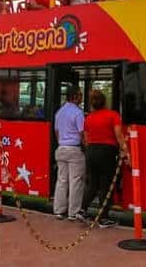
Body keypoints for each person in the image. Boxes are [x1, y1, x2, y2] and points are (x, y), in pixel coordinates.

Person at [80, 90, 128, 228]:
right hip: (107, 152)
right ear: (105, 102)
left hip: (91, 151)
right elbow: (119, 136)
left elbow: (86, 138)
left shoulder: (88, 118)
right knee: (106, 186)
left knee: (93, 184)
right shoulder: (113, 115)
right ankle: (103, 218)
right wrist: (126, 151)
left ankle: (82, 210)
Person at [53, 89, 86, 221]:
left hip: (61, 148)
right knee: (76, 181)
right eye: (80, 96)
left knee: (62, 180)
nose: (82, 99)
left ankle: (59, 210)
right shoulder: (78, 113)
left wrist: (62, 142)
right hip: (74, 150)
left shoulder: (59, 112)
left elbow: (56, 132)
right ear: (75, 97)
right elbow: (82, 133)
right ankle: (73, 212)